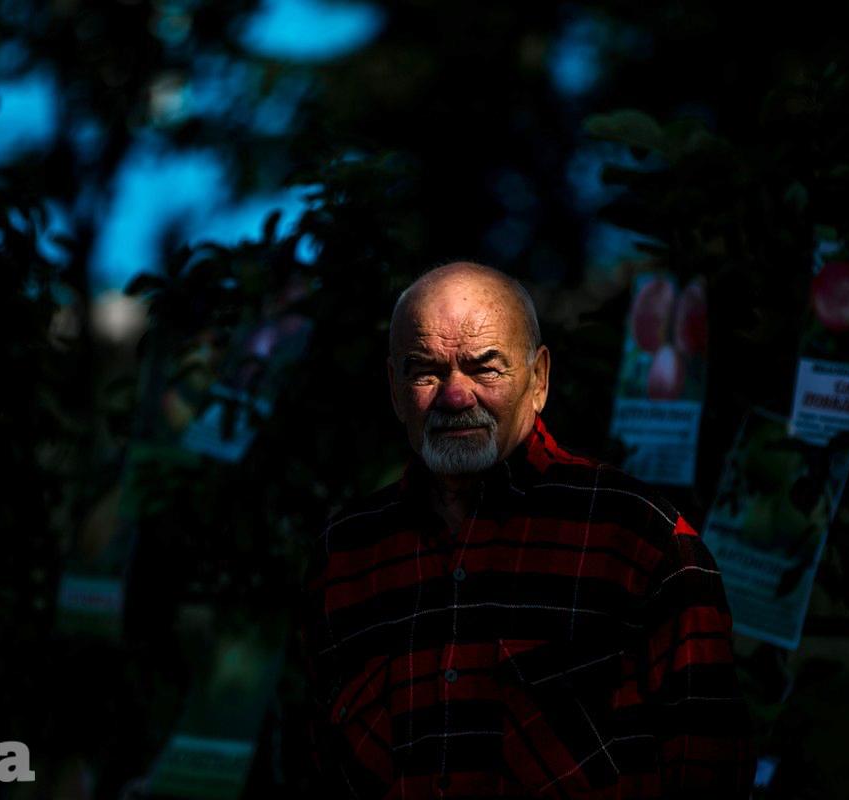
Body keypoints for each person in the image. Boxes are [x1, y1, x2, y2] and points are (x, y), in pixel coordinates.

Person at [302, 262, 753, 798]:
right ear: (395, 391)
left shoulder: (636, 536)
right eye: (425, 372)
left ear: (539, 380)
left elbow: (709, 762)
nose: (455, 395)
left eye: (485, 369)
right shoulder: (346, 554)